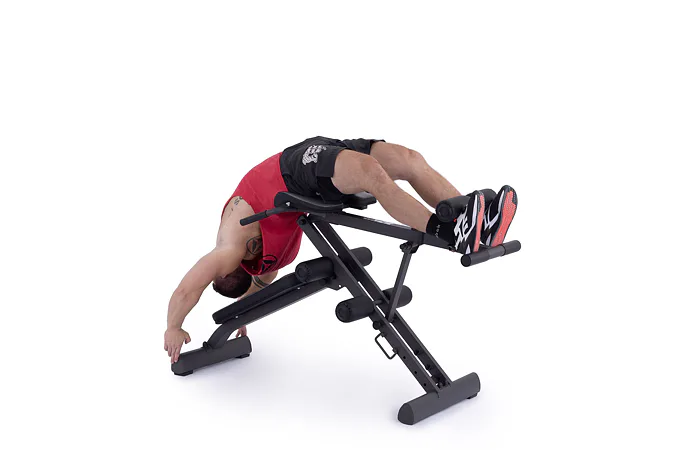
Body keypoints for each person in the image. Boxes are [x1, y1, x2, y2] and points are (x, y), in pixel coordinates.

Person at [164, 137, 518, 363]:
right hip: (305, 170)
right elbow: (259, 286)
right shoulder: (263, 264)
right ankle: (456, 229)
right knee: (375, 173)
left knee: (409, 159)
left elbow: (187, 290)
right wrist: (242, 313)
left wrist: (173, 328)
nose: (259, 275)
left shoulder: (228, 247)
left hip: (294, 168)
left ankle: (466, 218)